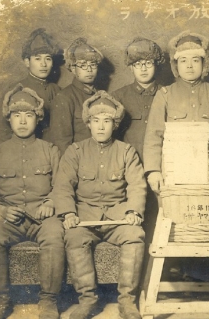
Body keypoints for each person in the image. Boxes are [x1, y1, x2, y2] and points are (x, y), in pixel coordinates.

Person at [53, 91, 147, 319]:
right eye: (96, 121)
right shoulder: (75, 152)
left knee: (135, 234)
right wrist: (68, 214)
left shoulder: (126, 151)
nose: (101, 126)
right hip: (85, 216)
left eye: (107, 121)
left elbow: (137, 185)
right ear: (88, 123)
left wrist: (133, 211)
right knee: (74, 237)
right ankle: (87, 300)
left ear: (115, 125)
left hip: (118, 217)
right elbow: (63, 186)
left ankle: (127, 301)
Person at [0, 84, 64, 319]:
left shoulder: (50, 151)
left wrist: (51, 202)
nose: (23, 121)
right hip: (7, 218)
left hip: (42, 217)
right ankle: (0, 301)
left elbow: (62, 186)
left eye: (29, 116)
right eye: (17, 116)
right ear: (9, 119)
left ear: (38, 119)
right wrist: (1, 210)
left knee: (55, 234)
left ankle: (48, 301)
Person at [143, 30, 209, 192]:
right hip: (172, 174)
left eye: (195, 60)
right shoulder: (165, 95)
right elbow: (153, 137)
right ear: (176, 64)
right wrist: (154, 171)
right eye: (183, 60)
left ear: (204, 63)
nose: (189, 66)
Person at [0, 28, 61, 144]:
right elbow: (3, 131)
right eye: (37, 58)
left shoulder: (56, 90)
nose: (43, 64)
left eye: (48, 58)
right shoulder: (16, 89)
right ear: (27, 62)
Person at [111, 37, 165, 160]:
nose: (143, 69)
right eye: (138, 64)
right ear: (131, 67)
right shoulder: (118, 97)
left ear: (156, 65)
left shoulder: (167, 94)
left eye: (148, 63)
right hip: (129, 164)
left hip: (161, 163)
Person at [49, 38, 103, 155]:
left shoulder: (101, 96)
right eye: (83, 65)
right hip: (78, 163)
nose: (89, 69)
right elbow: (61, 143)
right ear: (73, 69)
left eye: (93, 64)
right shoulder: (64, 97)